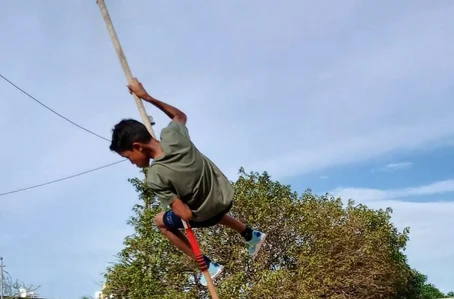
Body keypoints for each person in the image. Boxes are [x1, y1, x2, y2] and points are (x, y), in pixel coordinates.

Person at [109, 78, 266, 286]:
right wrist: (147, 97)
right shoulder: (173, 135)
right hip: (223, 195)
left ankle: (206, 264)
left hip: (207, 212)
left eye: (128, 157)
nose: (132, 163)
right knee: (200, 199)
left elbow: (185, 215)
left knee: (160, 221)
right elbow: (179, 115)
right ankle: (249, 233)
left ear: (137, 146)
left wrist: (178, 203)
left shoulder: (156, 176)